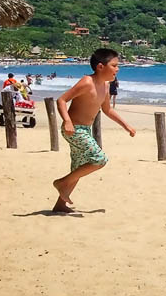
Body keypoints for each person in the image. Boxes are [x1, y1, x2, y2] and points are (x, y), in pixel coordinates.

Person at [52, 48, 136, 212]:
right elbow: (62, 100)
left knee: (78, 167)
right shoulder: (87, 82)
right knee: (99, 159)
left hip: (85, 130)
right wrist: (67, 121)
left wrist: (126, 126)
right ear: (100, 67)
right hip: (74, 129)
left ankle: (60, 205)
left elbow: (107, 110)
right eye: (114, 65)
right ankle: (60, 183)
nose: (117, 69)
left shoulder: (105, 86)